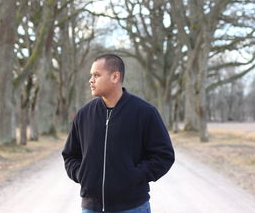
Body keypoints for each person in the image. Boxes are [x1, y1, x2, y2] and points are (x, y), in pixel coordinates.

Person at [62, 53, 175, 213]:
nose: (91, 80)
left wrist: (134, 177)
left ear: (115, 77)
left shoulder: (145, 112)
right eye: (91, 75)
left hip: (132, 207)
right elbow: (70, 155)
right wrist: (83, 175)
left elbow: (164, 155)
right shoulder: (84, 114)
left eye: (96, 75)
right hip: (91, 207)